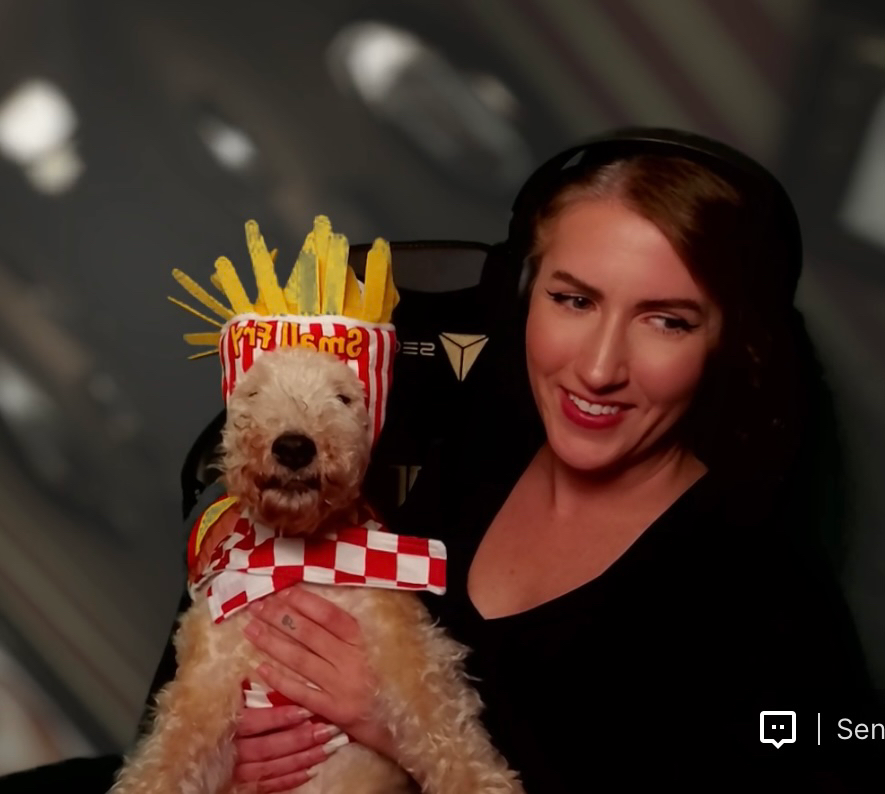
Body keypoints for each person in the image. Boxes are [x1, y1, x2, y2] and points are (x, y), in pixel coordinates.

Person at [0, 128, 875, 793]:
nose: (599, 368)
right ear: (522, 295)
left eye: (666, 321)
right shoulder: (433, 449)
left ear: (733, 346)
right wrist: (242, 749)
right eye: (573, 300)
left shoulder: (767, 597)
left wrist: (400, 734)